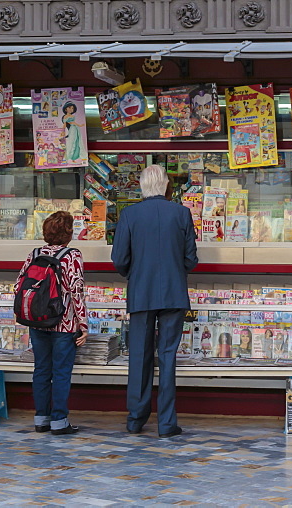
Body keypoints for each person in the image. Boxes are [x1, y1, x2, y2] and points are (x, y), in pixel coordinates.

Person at [112, 165, 198, 438]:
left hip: (141, 293)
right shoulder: (182, 213)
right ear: (165, 186)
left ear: (142, 186)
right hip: (173, 292)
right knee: (168, 356)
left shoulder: (130, 214)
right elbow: (191, 259)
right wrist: (175, 270)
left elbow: (119, 259)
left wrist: (134, 274)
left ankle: (136, 418)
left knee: (139, 355)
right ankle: (166, 422)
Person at [16, 210, 88, 435]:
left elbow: (19, 285)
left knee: (41, 370)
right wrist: (83, 324)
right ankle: (59, 421)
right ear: (68, 233)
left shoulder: (34, 253)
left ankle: (41, 419)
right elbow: (77, 291)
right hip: (64, 323)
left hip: (37, 321)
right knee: (61, 372)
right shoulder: (72, 255)